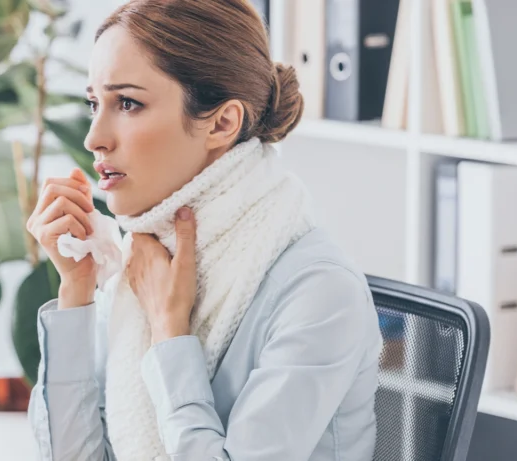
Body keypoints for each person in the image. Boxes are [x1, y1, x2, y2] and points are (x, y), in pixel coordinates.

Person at [25, 1, 382, 460]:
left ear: (222, 123)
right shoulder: (143, 257)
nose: (94, 136)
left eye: (128, 103)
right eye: (94, 103)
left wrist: (170, 335)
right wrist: (77, 291)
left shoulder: (319, 293)